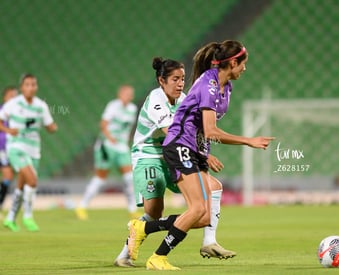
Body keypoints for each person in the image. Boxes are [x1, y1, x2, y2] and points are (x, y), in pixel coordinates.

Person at [127, 40, 274, 270]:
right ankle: (158, 257)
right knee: (196, 209)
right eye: (243, 63)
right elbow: (210, 130)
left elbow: (201, 130)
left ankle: (144, 229)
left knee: (203, 216)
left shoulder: (226, 87)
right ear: (233, 62)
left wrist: (204, 155)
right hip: (178, 145)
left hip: (193, 148)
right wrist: (248, 141)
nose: (245, 68)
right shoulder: (209, 85)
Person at [114, 57, 236, 267]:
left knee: (212, 191)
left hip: (176, 155)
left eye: (182, 79)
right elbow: (172, 133)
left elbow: (193, 131)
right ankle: (124, 254)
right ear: (161, 80)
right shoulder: (155, 99)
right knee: (153, 213)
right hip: (149, 157)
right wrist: (203, 155)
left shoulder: (183, 100)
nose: (180, 83)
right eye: (175, 79)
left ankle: (209, 241)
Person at [0, 74, 58, 232]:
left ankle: (11, 218)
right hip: (16, 147)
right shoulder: (13, 104)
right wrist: (8, 130)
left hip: (33, 150)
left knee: (22, 183)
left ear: (36, 87)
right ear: (22, 87)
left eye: (33, 84)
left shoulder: (41, 106)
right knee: (32, 181)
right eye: (27, 84)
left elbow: (50, 125)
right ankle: (28, 216)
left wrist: (52, 128)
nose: (31, 87)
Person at [75, 85, 138, 220]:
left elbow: (127, 129)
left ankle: (132, 209)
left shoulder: (132, 109)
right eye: (126, 93)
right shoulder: (113, 106)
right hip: (107, 145)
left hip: (121, 147)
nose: (128, 96)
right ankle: (82, 206)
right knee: (100, 178)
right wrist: (110, 138)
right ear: (120, 94)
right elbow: (103, 124)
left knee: (129, 178)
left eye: (130, 94)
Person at [0, 86, 18, 213]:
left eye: (15, 97)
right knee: (7, 174)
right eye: (11, 96)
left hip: (8, 148)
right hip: (1, 147)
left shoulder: (16, 113)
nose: (14, 99)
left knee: (8, 176)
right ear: (5, 97)